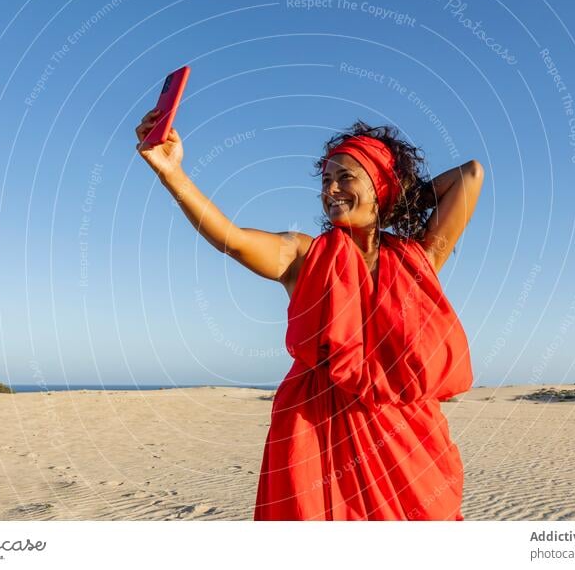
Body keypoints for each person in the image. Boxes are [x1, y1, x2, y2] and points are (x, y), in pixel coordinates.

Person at [135, 109, 484, 520]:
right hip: (316, 430)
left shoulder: (418, 258)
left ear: (380, 184)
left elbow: (470, 175)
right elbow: (232, 239)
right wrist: (170, 173)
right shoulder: (304, 255)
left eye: (346, 177)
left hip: (407, 443)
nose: (331, 189)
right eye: (326, 180)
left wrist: (394, 200)